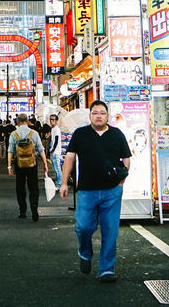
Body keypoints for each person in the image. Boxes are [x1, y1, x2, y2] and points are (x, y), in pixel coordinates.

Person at [60, 100, 131, 283]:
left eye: (102, 113)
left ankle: (107, 269)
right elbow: (69, 157)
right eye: (95, 113)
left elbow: (126, 159)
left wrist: (120, 184)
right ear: (90, 116)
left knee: (110, 231)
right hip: (86, 191)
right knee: (83, 226)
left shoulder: (117, 134)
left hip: (111, 191)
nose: (99, 116)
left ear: (107, 116)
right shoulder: (81, 134)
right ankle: (85, 253)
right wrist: (64, 183)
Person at [7, 115, 48, 221]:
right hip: (32, 164)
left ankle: (22, 211)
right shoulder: (34, 133)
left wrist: (9, 166)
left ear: (17, 122)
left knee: (20, 187)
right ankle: (34, 209)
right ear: (27, 122)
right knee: (33, 188)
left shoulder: (14, 134)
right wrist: (45, 163)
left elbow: (10, 151)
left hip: (19, 164)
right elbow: (40, 149)